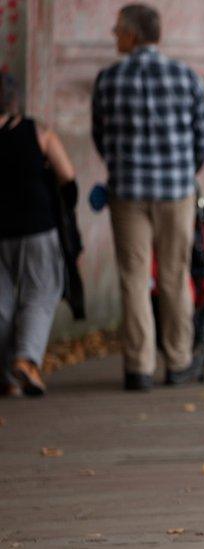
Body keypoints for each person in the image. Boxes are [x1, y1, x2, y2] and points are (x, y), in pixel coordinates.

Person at [91, 4, 204, 391]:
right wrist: (181, 169)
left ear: (133, 34)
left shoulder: (108, 80)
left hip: (127, 193)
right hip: (176, 192)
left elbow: (100, 135)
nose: (115, 36)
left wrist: (123, 166)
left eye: (118, 30)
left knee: (133, 277)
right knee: (175, 276)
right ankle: (178, 361)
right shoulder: (186, 77)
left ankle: (138, 367)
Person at [0, 73, 80, 397]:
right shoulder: (38, 132)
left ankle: (5, 377)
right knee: (40, 294)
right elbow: (68, 178)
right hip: (37, 227)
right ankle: (26, 360)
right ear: (15, 100)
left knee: (1, 304)